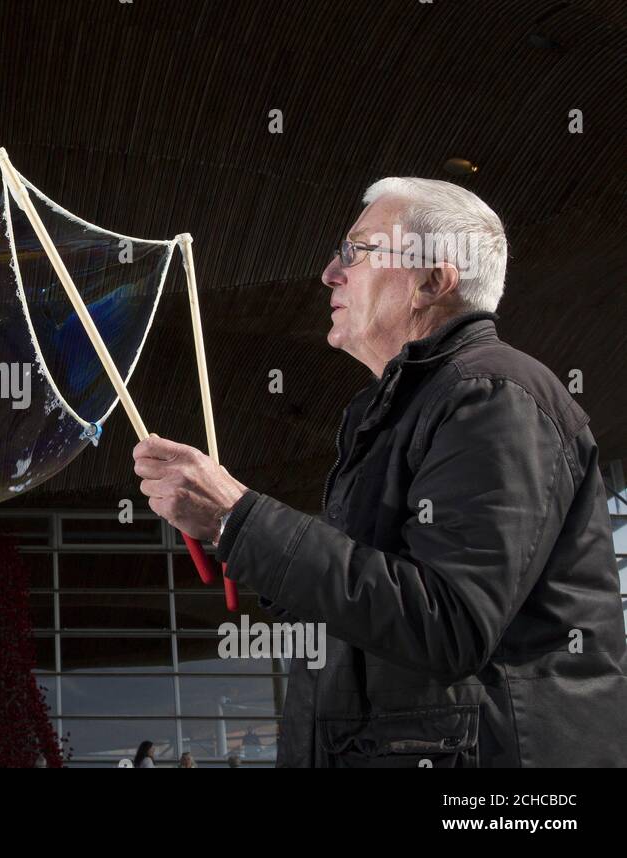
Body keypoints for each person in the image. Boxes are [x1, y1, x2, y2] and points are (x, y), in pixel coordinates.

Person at [133, 177, 627, 767]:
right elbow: (365, 604)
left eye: (357, 250)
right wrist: (226, 529)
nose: (329, 273)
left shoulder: (495, 397)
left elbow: (450, 624)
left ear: (432, 281)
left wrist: (241, 518)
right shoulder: (399, 410)